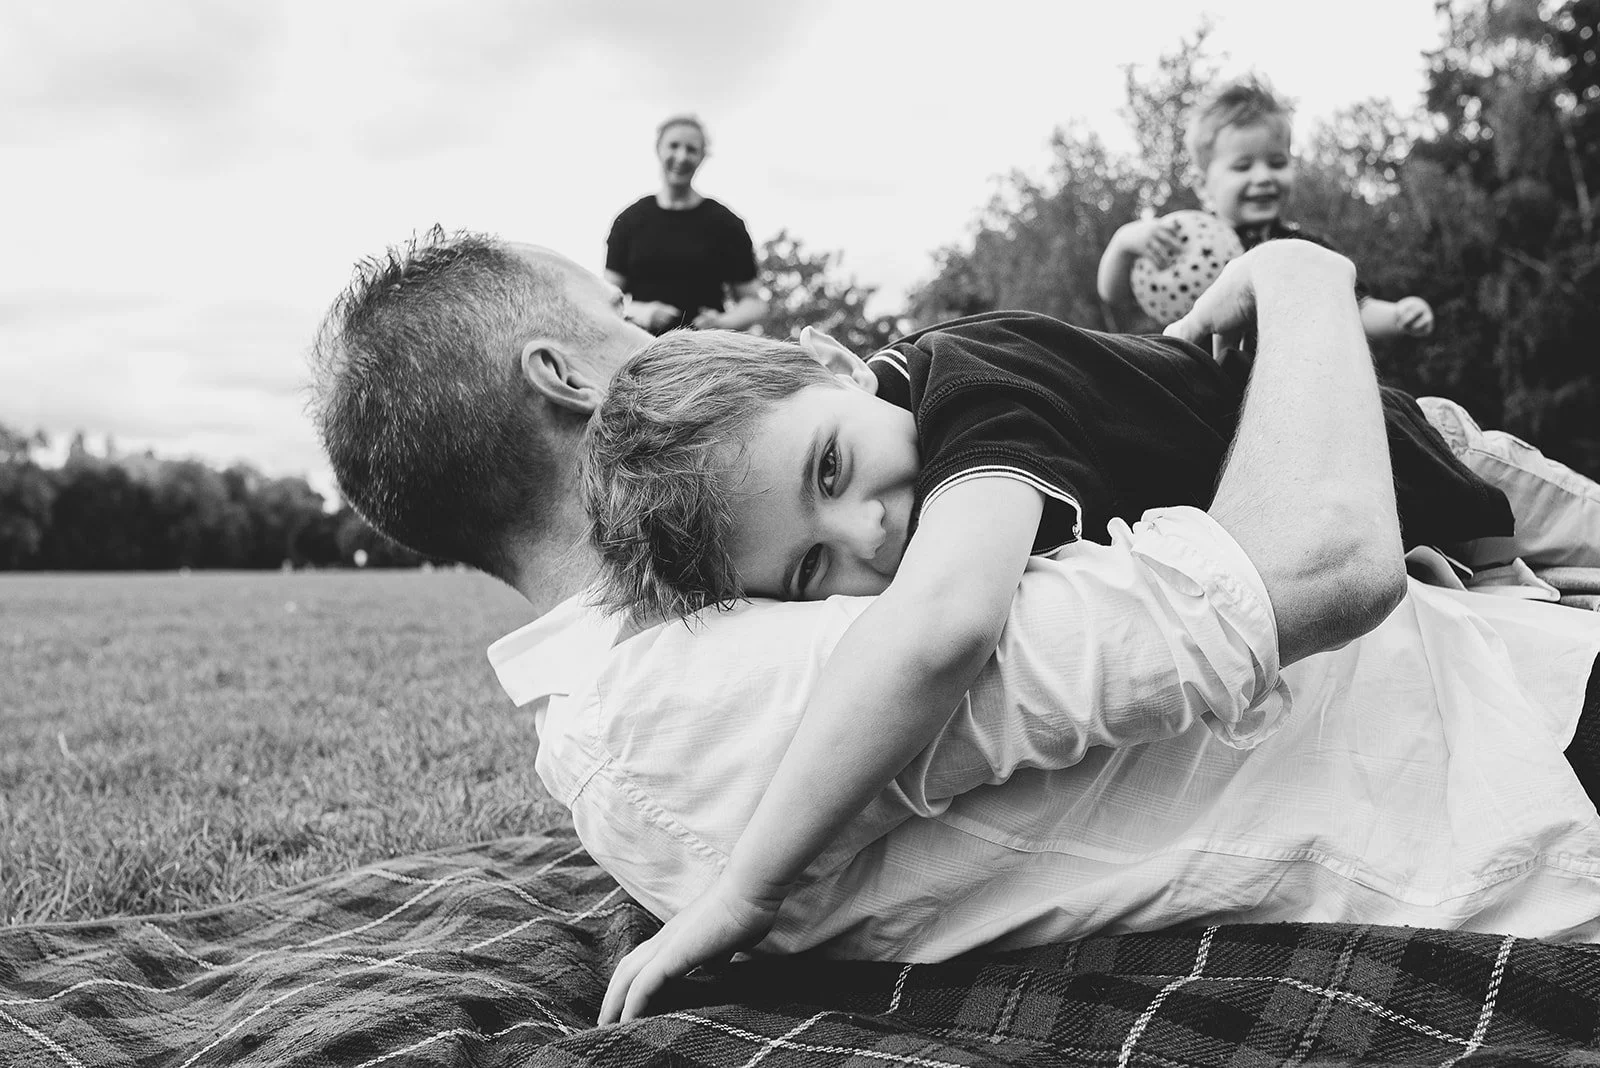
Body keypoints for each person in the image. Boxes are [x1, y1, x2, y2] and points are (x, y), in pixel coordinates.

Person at [308, 230, 1600, 1028]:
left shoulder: (712, 628)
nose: (666, 324)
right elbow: (1316, 561)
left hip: (1507, 671)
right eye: (630, 317)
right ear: (568, 374)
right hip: (1534, 760)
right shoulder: (680, 694)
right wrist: (1310, 280)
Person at [1097, 74, 1435, 341]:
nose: (1263, 177)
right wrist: (1124, 242)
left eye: (1276, 162)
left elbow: (1350, 308)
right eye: (1242, 167)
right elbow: (1115, 294)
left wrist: (1397, 316)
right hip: (1197, 389)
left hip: (1284, 390)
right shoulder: (1180, 242)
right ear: (1203, 186)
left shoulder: (1303, 249)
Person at [605, 114, 767, 335]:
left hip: (704, 353)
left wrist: (722, 321)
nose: (681, 156)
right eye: (673, 146)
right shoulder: (630, 221)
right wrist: (643, 312)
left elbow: (753, 302)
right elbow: (607, 300)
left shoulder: (726, 223)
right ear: (658, 149)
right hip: (640, 349)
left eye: (691, 149)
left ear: (702, 157)